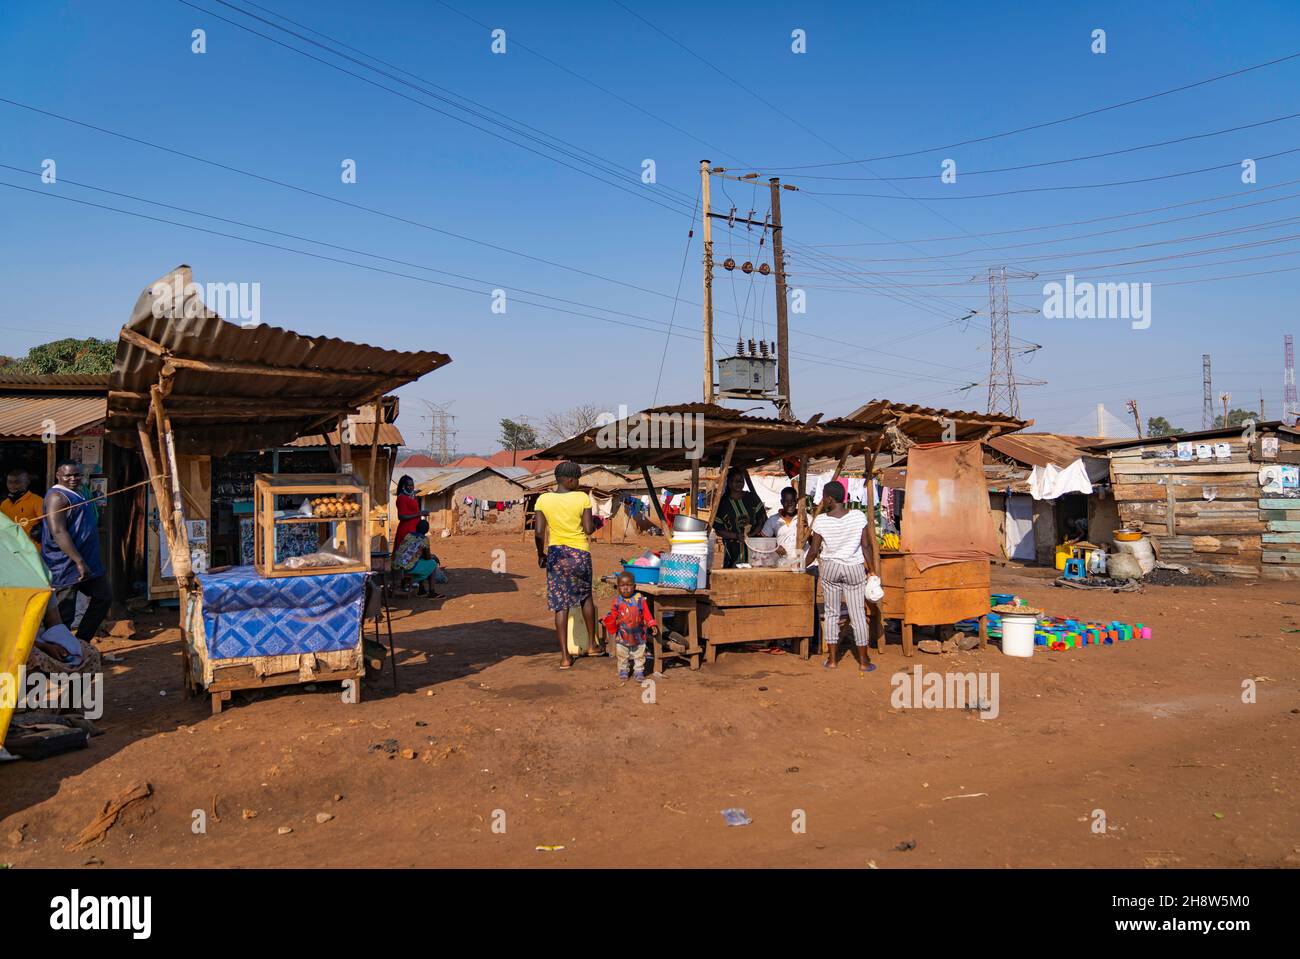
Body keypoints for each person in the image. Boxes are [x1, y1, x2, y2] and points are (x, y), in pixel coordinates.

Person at [41, 461, 115, 656]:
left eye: (77, 475)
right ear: (58, 475)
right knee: (64, 614)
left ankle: (80, 643)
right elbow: (58, 531)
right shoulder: (57, 497)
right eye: (68, 475)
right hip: (66, 563)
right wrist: (78, 561)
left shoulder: (80, 492)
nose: (73, 479)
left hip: (88, 560)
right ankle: (62, 653)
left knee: (104, 596)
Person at [804, 480, 875, 673]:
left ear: (829, 498)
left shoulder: (821, 520)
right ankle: (863, 661)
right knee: (858, 614)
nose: (822, 501)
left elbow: (813, 550)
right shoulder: (858, 516)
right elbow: (866, 546)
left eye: (824, 497)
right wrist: (873, 570)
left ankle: (832, 660)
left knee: (832, 613)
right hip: (854, 568)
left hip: (831, 568)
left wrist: (801, 566)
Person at [533, 461, 598, 669]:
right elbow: (588, 529)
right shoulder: (581, 497)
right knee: (585, 597)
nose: (578, 483)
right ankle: (591, 646)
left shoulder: (543, 500)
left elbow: (538, 533)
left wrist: (540, 554)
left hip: (556, 555)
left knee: (561, 606)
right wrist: (596, 523)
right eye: (577, 479)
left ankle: (565, 658)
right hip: (580, 554)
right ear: (570, 479)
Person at [602, 571, 656, 682]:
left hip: (638, 634)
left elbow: (646, 613)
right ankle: (623, 670)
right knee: (622, 654)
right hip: (622, 634)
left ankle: (639, 670)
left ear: (634, 586)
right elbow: (613, 614)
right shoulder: (617, 601)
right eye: (622, 586)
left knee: (639, 653)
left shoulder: (639, 598)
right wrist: (609, 619)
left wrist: (652, 624)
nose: (625, 588)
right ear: (618, 588)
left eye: (629, 585)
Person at [712, 467, 767, 568]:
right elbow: (719, 530)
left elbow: (762, 519)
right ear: (729, 482)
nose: (739, 483)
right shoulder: (723, 504)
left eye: (741, 481)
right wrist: (737, 536)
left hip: (754, 547)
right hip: (733, 549)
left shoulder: (752, 497)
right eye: (735, 481)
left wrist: (753, 533)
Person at [393, 519, 442, 597]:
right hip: (407, 568)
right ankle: (432, 591)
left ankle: (421, 589)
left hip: (397, 566)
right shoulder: (424, 539)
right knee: (432, 563)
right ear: (427, 530)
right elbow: (428, 557)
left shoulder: (408, 535)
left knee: (421, 561)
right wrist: (434, 557)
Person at [760, 486, 802, 567]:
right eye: (786, 501)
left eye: (792, 501)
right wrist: (775, 547)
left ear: (796, 501)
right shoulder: (773, 520)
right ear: (782, 502)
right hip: (783, 564)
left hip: (803, 564)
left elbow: (814, 542)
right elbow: (763, 539)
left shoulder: (805, 519)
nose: (789, 504)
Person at [1, 468, 43, 543]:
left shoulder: (37, 501)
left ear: (27, 482)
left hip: (32, 550)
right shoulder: (4, 504)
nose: (13, 485)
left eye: (17, 482)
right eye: (9, 482)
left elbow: (49, 523)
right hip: (11, 549)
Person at [392, 475, 428, 551]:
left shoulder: (411, 497)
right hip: (407, 530)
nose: (412, 487)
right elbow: (401, 516)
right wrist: (419, 514)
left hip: (415, 528)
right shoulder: (401, 498)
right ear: (403, 486)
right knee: (406, 555)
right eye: (409, 485)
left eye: (412, 485)